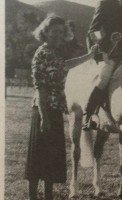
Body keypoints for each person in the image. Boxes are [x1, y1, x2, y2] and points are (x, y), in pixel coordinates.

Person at [25, 14, 97, 200]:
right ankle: (33, 196)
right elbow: (40, 88)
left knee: (50, 159)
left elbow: (65, 65)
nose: (57, 35)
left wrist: (89, 56)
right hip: (43, 111)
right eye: (53, 31)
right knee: (38, 158)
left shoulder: (53, 53)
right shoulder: (42, 53)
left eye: (60, 32)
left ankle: (48, 196)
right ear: (45, 32)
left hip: (55, 110)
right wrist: (45, 117)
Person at [83, 0, 122, 130]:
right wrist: (98, 52)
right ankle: (90, 115)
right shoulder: (105, 3)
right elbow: (93, 30)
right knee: (103, 79)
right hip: (109, 53)